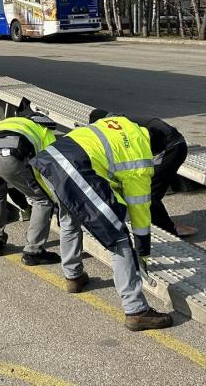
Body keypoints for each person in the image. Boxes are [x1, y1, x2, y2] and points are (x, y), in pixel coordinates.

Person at [32, 114, 174, 331]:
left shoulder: (123, 124)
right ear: (156, 151)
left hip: (50, 160)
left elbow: (105, 161)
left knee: (70, 218)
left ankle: (73, 276)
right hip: (76, 168)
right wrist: (143, 249)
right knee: (118, 236)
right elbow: (140, 209)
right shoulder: (141, 158)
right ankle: (136, 311)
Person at [0, 103, 62, 266]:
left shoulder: (12, 121)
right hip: (9, 156)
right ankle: (33, 252)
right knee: (42, 200)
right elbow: (49, 164)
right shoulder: (45, 129)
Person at [90, 110, 196, 238]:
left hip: (172, 147)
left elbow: (135, 156)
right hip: (161, 143)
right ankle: (157, 223)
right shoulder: (116, 122)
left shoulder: (124, 129)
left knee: (148, 193)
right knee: (145, 192)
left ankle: (168, 231)